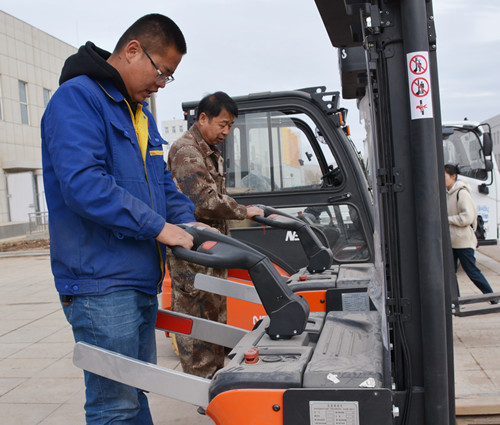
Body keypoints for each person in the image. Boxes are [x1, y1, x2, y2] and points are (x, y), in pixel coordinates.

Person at [41, 14, 207, 424]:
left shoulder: (139, 113)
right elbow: (84, 184)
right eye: (161, 71)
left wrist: (187, 222)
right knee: (114, 406)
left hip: (137, 278)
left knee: (134, 393)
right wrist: (158, 227)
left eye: (168, 77)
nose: (161, 83)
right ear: (133, 50)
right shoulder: (78, 99)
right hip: (101, 282)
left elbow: (161, 183)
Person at [167, 91, 264, 378]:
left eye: (230, 126)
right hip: (194, 257)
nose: (226, 131)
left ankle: (216, 381)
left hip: (211, 253)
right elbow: (204, 201)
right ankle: (201, 384)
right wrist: (243, 211)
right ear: (203, 118)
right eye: (222, 124)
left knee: (214, 323)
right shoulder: (186, 152)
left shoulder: (208, 151)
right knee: (197, 329)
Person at [444, 164, 497, 303]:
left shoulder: (461, 193)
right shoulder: (447, 194)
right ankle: (455, 300)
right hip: (451, 241)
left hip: (463, 241)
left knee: (472, 271)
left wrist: (448, 220)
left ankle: (492, 297)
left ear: (453, 176)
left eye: (444, 176)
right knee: (450, 274)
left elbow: (467, 217)